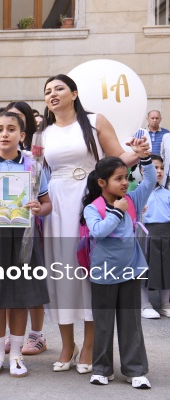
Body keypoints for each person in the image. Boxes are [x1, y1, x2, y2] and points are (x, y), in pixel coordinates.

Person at [40, 74, 149, 373]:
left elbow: (117, 159)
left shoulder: (94, 120)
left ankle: (89, 346)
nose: (53, 94)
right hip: (57, 204)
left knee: (90, 269)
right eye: (48, 91)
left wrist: (138, 155)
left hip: (91, 200)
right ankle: (66, 344)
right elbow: (35, 173)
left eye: (59, 88)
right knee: (61, 270)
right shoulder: (43, 132)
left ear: (74, 93)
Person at [0, 111, 51, 377]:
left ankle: (15, 355)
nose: (5, 133)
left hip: (24, 237)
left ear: (21, 136)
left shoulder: (34, 167)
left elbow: (48, 205)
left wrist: (39, 207)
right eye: (0, 129)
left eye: (11, 129)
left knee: (20, 297)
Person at [82, 154, 153, 388]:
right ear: (102, 182)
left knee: (131, 322)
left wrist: (145, 159)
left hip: (130, 271)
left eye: (126, 177)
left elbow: (150, 180)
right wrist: (116, 211)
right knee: (103, 323)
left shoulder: (131, 198)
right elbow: (98, 232)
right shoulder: (93, 208)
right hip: (103, 274)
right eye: (118, 178)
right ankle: (102, 368)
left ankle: (135, 370)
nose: (125, 183)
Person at [4, 101, 47, 355]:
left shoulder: (35, 161)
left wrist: (39, 209)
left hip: (30, 229)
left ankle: (37, 334)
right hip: (3, 229)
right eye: (4, 125)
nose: (7, 131)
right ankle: (13, 335)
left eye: (17, 121)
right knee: (9, 282)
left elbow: (45, 200)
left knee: (32, 283)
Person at [140, 154, 170, 319]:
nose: (158, 171)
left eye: (161, 168)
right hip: (146, 234)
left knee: (167, 268)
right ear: (142, 170)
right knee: (145, 268)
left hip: (167, 233)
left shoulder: (167, 193)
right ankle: (145, 304)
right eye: (154, 168)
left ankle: (166, 304)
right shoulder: (138, 192)